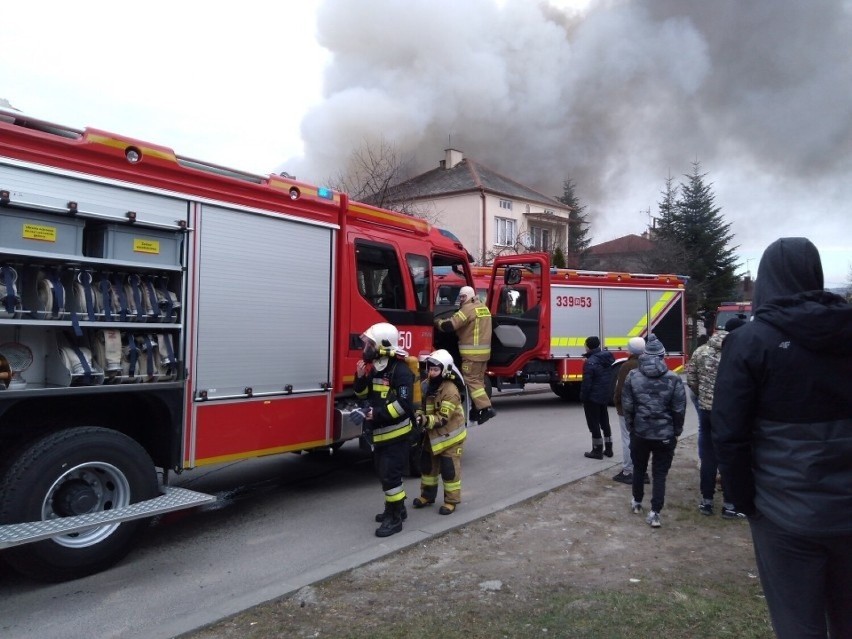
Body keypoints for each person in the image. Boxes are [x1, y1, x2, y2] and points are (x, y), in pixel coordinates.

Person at [713, 237, 852, 639]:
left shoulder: (750, 341)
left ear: (767, 279)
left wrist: (746, 502)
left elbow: (729, 433)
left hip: (784, 513)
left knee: (798, 625)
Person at [354, 322, 415, 538]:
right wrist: (360, 378)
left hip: (396, 436)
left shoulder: (401, 371)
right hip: (381, 434)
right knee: (385, 475)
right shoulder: (378, 367)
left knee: (391, 477)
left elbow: (404, 406)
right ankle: (396, 508)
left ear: (382, 345)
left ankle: (395, 518)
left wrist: (376, 415)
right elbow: (363, 396)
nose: (366, 348)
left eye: (370, 343)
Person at [622, 334, 686, 528]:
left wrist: (631, 426)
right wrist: (676, 430)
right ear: (662, 355)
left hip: (640, 432)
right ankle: (655, 512)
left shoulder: (633, 376)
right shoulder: (673, 378)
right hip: (665, 435)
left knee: (639, 468)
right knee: (659, 474)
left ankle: (636, 501)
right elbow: (679, 408)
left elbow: (628, 404)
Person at [686, 319, 744, 519]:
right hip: (731, 413)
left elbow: (691, 378)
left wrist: (703, 395)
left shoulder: (701, 351)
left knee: (708, 457)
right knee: (729, 457)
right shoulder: (739, 351)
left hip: (707, 410)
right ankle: (729, 505)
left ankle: (706, 502)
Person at [412, 349, 468, 515]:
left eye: (435, 370)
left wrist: (423, 421)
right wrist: (418, 415)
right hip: (433, 435)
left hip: (451, 436)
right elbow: (421, 407)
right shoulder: (426, 385)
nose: (431, 372)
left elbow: (443, 418)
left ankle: (451, 501)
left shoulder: (450, 390)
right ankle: (427, 496)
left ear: (444, 370)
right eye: (430, 369)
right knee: (428, 467)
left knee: (449, 470)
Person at [435, 285, 495, 424]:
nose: (461, 299)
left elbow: (451, 325)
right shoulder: (483, 308)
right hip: (484, 354)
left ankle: (486, 408)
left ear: (469, 296)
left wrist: (437, 323)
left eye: (463, 297)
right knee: (478, 381)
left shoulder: (467, 309)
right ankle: (476, 410)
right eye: (460, 297)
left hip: (471, 355)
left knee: (471, 380)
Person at [612, 336, 647, 484]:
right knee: (642, 441)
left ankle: (628, 471)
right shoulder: (649, 363)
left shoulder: (627, 366)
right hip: (645, 408)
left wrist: (617, 402)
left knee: (628, 439)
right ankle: (642, 471)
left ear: (629, 350)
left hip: (628, 410)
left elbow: (620, 390)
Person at [579, 335, 615, 459]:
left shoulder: (590, 362)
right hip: (604, 395)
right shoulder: (606, 358)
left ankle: (597, 450)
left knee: (593, 423)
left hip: (592, 398)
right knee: (605, 422)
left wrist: (583, 398)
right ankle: (609, 449)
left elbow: (587, 383)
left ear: (587, 346)